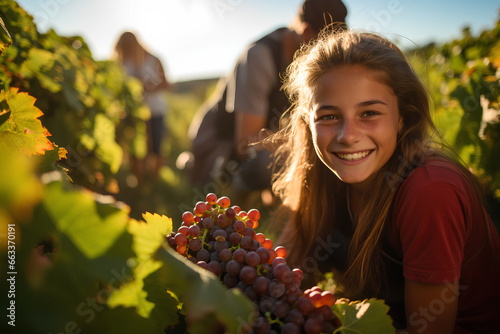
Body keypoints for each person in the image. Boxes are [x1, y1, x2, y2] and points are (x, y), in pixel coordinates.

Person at [270, 28, 500, 333]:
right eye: (328, 116)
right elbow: (279, 279)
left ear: (403, 116)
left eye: (368, 113)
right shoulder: (324, 179)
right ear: (307, 122)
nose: (347, 136)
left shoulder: (430, 192)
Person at [188, 0, 348, 207]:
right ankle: (238, 187)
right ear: (307, 33)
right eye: (325, 45)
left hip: (256, 140)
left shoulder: (302, 57)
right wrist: (305, 143)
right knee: (292, 157)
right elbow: (245, 143)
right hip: (217, 145)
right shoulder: (260, 56)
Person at [114, 31, 171, 182]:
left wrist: (147, 88)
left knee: (156, 146)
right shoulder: (121, 63)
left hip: (155, 110)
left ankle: (154, 181)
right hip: (132, 113)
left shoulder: (154, 59)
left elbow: (166, 84)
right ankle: (138, 181)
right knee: (136, 148)